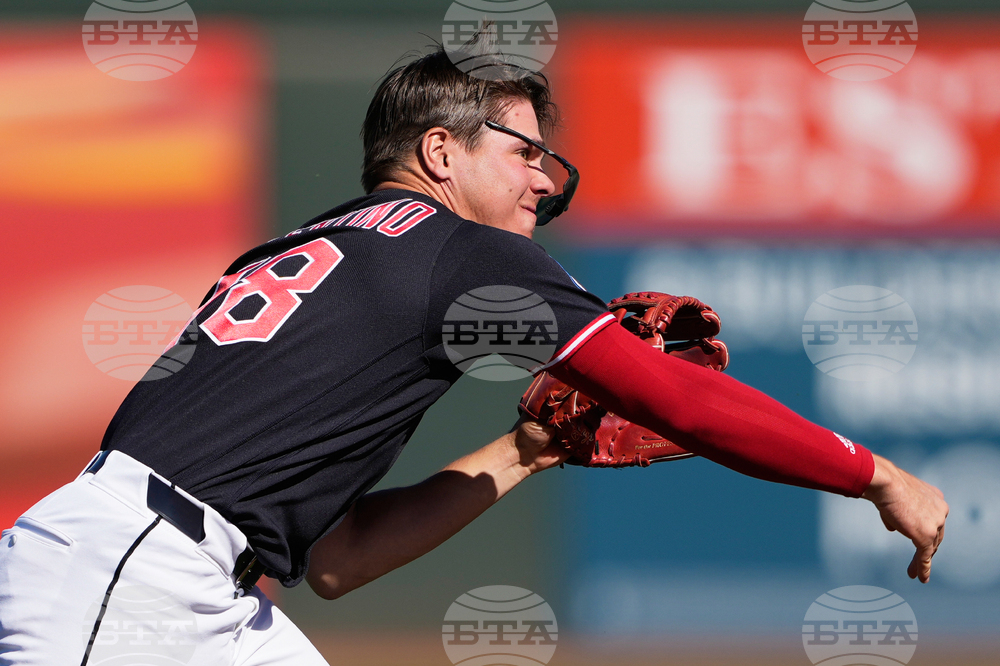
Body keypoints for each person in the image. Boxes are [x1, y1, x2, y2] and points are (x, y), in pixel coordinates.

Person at [0, 47, 947, 665]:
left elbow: (338, 561)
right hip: (129, 575)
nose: (544, 175)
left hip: (184, 579)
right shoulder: (460, 249)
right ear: (441, 151)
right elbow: (681, 400)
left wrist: (526, 451)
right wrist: (873, 475)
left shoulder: (327, 250)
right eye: (524, 151)